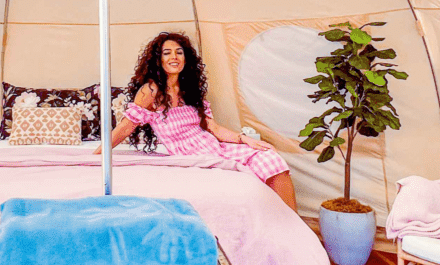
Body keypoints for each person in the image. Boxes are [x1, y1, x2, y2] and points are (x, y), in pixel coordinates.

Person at [94, 32, 298, 212]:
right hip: (190, 155)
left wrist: (245, 140)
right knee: (240, 182)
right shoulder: (151, 91)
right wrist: (98, 155)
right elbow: (126, 127)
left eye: (179, 52)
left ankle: (292, 225)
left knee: (271, 159)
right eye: (167, 53)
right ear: (158, 59)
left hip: (213, 146)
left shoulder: (189, 89)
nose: (174, 56)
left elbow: (213, 127)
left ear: (186, 58)